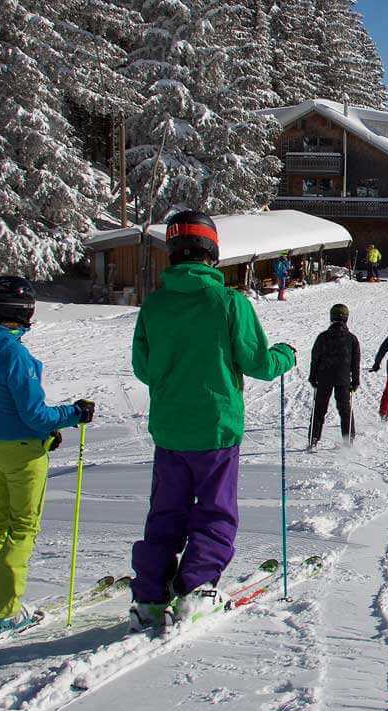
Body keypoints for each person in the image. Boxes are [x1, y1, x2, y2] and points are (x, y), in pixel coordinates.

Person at [129, 209, 297, 630]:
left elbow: (143, 368)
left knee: (165, 513)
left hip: (169, 431)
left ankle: (150, 595)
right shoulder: (227, 302)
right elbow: (257, 361)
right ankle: (198, 586)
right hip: (216, 430)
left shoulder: (155, 304)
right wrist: (285, 355)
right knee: (215, 511)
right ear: (212, 251)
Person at [0, 276, 95, 646]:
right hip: (20, 449)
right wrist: (72, 414)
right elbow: (33, 413)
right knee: (22, 528)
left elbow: (10, 405)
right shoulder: (14, 353)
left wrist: (46, 428)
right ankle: (1, 613)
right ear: (21, 312)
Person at [308, 303, 361, 448]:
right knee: (345, 409)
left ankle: (313, 439)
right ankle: (348, 440)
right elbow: (355, 362)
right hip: (343, 379)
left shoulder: (323, 337)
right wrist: (355, 381)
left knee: (319, 408)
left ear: (331, 317)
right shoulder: (351, 339)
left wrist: (313, 377)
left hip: (324, 377)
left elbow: (315, 359)